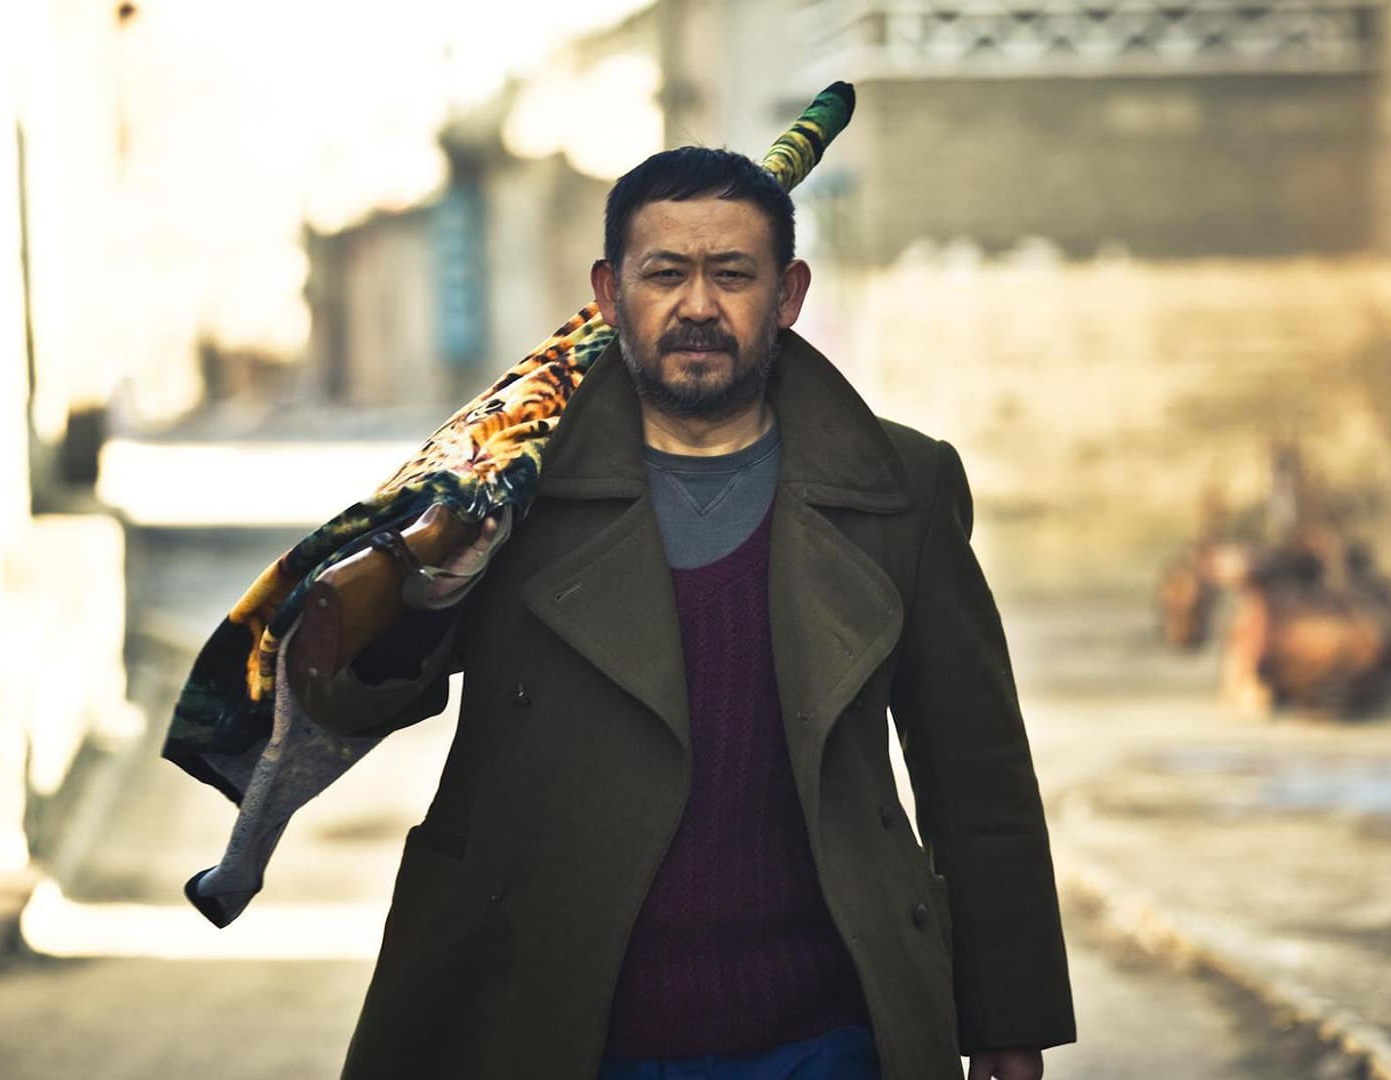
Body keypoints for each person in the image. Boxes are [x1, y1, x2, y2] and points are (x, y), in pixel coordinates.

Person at [295, 146, 1076, 1080]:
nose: (698, 306)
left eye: (732, 275)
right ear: (610, 294)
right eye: (665, 274)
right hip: (557, 1024)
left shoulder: (899, 487)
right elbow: (349, 698)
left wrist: (1007, 1017)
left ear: (787, 295)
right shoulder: (508, 487)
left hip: (830, 1034)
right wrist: (428, 589)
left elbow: (975, 771)